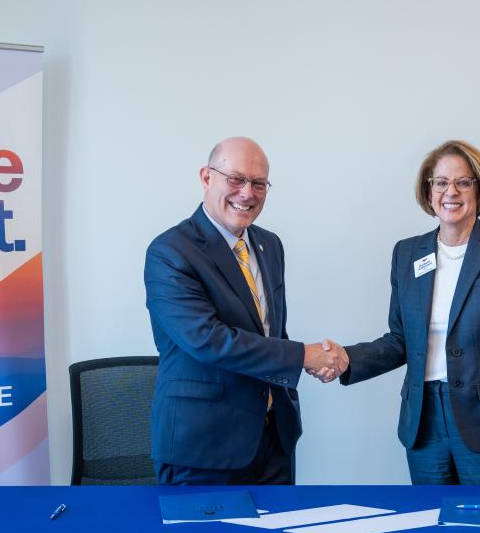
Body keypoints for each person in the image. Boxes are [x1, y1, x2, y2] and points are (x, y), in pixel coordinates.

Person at [315, 140, 480, 485]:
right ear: (429, 189)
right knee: (430, 523)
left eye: (463, 182)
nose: (450, 192)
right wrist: (348, 359)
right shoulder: (407, 253)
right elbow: (400, 340)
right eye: (440, 182)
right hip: (423, 421)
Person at [144, 136, 342, 485]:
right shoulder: (170, 251)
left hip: (273, 438)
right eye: (235, 179)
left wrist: (316, 361)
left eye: (259, 183)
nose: (247, 193)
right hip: (203, 447)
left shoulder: (269, 245)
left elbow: (269, 332)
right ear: (206, 177)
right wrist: (303, 357)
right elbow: (208, 340)